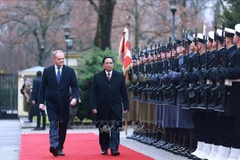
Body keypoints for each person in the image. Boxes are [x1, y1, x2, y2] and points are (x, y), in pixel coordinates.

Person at [38, 50, 80, 157]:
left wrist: (75, 97)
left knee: (62, 125)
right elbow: (42, 88)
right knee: (53, 122)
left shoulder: (70, 71)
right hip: (51, 102)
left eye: (62, 58)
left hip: (64, 103)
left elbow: (75, 86)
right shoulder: (47, 71)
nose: (61, 60)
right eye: (59, 59)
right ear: (54, 59)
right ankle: (53, 145)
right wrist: (41, 102)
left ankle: (60, 147)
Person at [90, 56, 129, 156]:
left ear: (113, 64)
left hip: (115, 107)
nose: (109, 65)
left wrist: (126, 106)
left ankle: (114, 148)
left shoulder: (119, 76)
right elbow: (93, 93)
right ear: (103, 65)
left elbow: (124, 92)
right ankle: (104, 147)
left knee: (114, 127)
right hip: (102, 108)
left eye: (111, 63)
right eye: (106, 63)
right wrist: (93, 106)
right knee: (104, 129)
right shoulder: (97, 76)